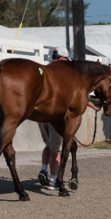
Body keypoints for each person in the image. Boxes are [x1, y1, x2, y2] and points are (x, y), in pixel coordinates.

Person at [38, 47, 71, 190]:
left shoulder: (44, 70)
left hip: (40, 116)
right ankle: (53, 180)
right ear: (63, 58)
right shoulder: (63, 74)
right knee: (55, 150)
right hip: (54, 115)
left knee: (48, 146)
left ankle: (43, 169)